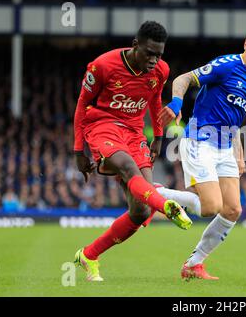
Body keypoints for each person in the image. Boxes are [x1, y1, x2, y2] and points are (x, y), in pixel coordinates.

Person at [72, 21, 192, 282]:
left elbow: (154, 101)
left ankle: (89, 255)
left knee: (140, 212)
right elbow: (82, 105)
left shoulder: (160, 70)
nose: (153, 60)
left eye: (158, 54)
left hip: (134, 131)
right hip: (102, 125)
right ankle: (167, 206)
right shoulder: (102, 65)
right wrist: (78, 150)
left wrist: (158, 136)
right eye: (149, 53)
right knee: (128, 167)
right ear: (135, 45)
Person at [159, 24, 246, 280]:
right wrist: (177, 101)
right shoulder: (227, 65)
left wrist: (239, 151)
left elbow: (234, 119)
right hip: (200, 140)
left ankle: (194, 263)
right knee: (211, 207)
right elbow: (183, 78)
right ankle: (157, 194)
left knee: (233, 210)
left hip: (225, 147)